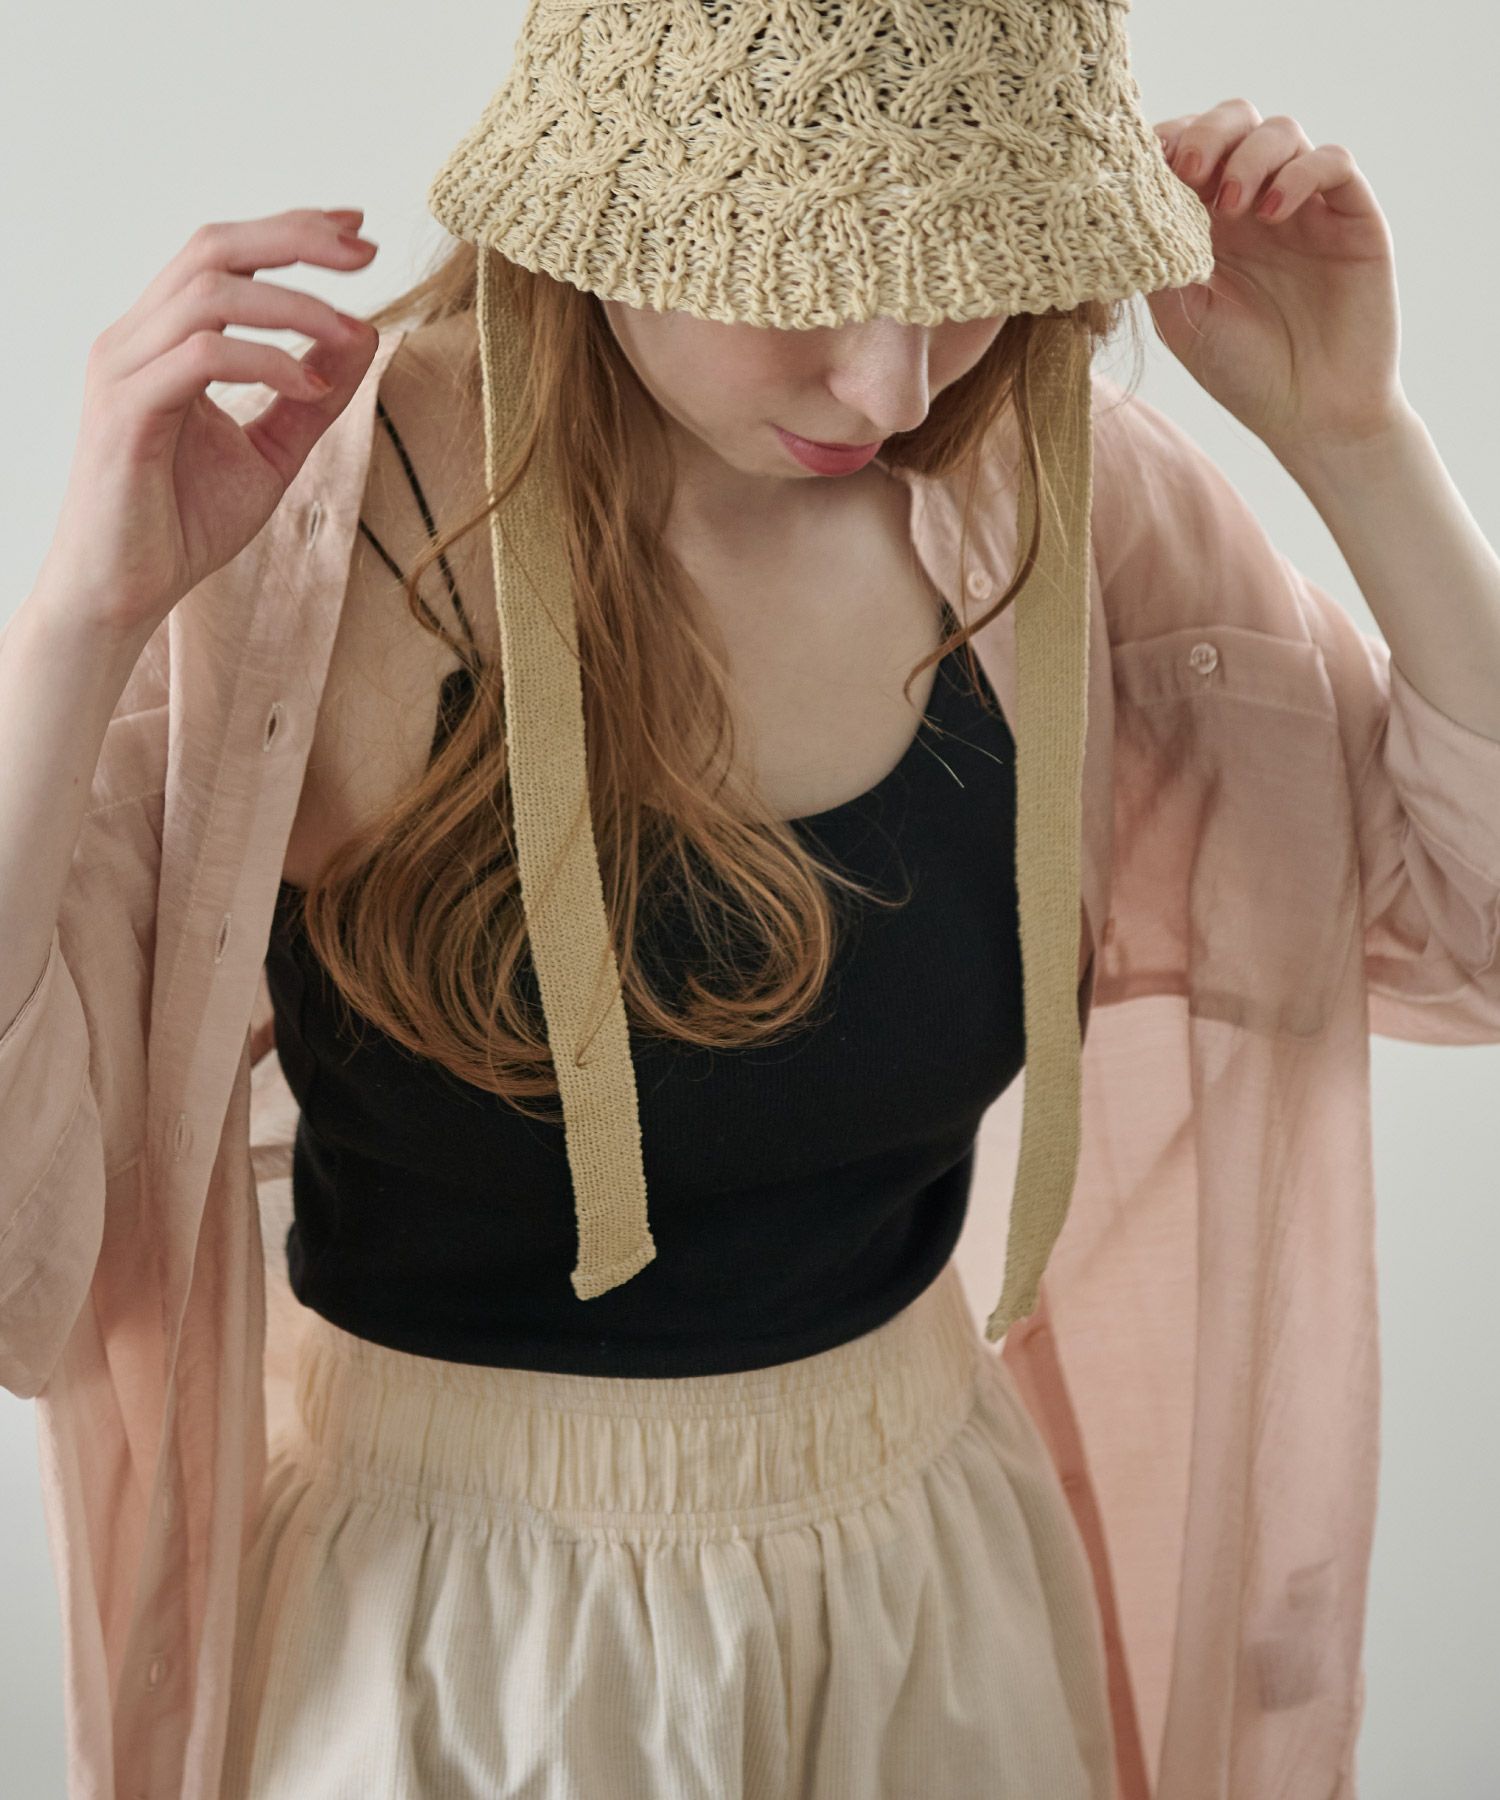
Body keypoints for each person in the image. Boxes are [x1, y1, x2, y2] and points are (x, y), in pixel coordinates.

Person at [5, 10, 1500, 1800]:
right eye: (817, 278)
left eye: (971, 283)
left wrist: (1358, 439)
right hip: (451, 1654)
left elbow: (1470, 927)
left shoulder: (1048, 501)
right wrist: (79, 626)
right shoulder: (301, 540)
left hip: (928, 1604)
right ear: (611, 209)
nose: (892, 388)